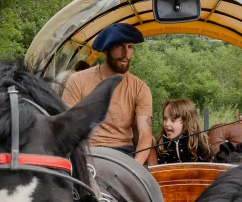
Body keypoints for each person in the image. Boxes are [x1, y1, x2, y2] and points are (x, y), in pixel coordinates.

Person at [62, 23, 153, 165]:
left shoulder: (140, 87)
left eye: (130, 47)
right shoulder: (78, 80)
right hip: (87, 152)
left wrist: (135, 166)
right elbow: (67, 126)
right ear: (106, 50)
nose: (126, 54)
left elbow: (145, 135)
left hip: (123, 154)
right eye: (119, 46)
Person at [156, 99, 213, 164]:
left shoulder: (197, 141)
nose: (166, 124)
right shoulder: (161, 142)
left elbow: (209, 164)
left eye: (173, 120)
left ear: (187, 121)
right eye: (165, 119)